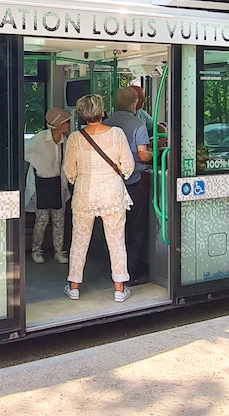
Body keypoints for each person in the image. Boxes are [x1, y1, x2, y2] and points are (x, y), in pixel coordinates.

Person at [62, 94, 136, 303]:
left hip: (85, 193)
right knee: (116, 240)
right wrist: (114, 173)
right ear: (102, 112)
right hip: (112, 192)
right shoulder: (117, 134)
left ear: (82, 115)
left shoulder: (75, 138)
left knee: (79, 239)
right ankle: (120, 288)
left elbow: (70, 171)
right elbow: (128, 166)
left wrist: (82, 177)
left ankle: (74, 286)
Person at [104, 87, 154, 287]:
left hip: (110, 184)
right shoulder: (138, 123)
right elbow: (142, 155)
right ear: (134, 105)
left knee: (117, 228)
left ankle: (115, 268)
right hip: (133, 182)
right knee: (135, 229)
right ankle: (130, 272)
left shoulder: (106, 124)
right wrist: (152, 153)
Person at [25, 107, 72, 265]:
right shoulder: (39, 139)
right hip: (41, 184)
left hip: (58, 184)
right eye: (66, 122)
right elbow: (25, 153)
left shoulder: (65, 141)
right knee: (42, 219)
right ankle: (36, 250)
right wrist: (39, 166)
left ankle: (59, 251)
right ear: (59, 124)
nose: (69, 124)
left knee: (60, 220)